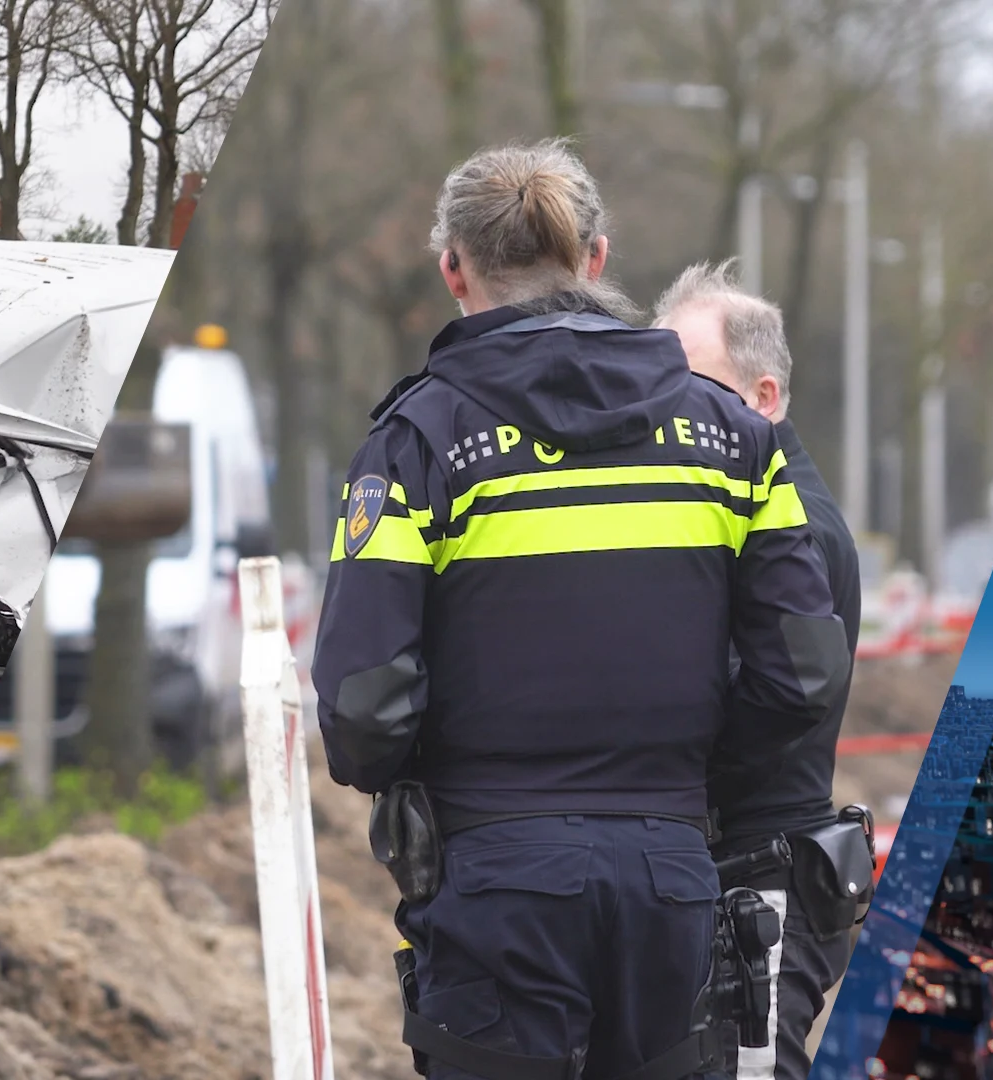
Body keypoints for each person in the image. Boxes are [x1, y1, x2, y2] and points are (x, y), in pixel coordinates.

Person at [311, 138, 852, 1080]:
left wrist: (434, 790)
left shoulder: (414, 445)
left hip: (491, 886)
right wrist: (686, 777)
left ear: (453, 269)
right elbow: (804, 669)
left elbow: (362, 704)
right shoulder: (734, 438)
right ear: (597, 260)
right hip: (673, 884)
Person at [653, 261, 864, 1080]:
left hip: (762, 884)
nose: (666, 416)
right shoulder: (735, 508)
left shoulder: (796, 532)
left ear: (764, 397)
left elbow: (773, 699)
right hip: (736, 873)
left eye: (694, 390)